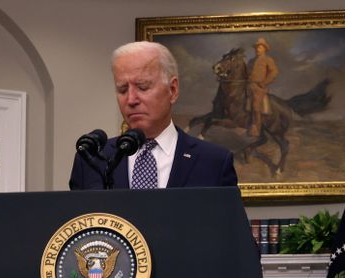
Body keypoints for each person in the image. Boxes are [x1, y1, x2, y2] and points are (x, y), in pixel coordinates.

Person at [69, 41, 238, 190]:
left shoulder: (214, 162)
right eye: (122, 90)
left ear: (172, 90)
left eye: (142, 87)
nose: (131, 99)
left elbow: (228, 226)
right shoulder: (92, 161)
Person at [247, 37, 279, 137]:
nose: (257, 49)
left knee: (256, 107)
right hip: (248, 85)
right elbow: (246, 73)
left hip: (259, 87)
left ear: (265, 49)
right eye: (256, 47)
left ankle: (256, 129)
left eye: (260, 47)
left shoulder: (268, 60)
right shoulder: (251, 61)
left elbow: (274, 72)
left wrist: (264, 83)